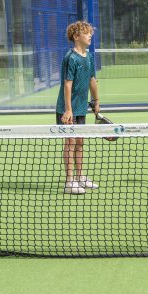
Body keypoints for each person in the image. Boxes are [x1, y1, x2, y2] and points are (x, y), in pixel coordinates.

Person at [56, 20, 101, 195]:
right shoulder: (71, 58)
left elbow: (92, 80)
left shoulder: (89, 57)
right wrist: (68, 110)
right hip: (67, 109)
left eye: (91, 33)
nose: (90, 36)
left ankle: (80, 177)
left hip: (81, 108)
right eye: (86, 33)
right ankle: (69, 182)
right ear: (76, 36)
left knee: (80, 142)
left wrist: (96, 101)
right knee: (70, 143)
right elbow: (67, 84)